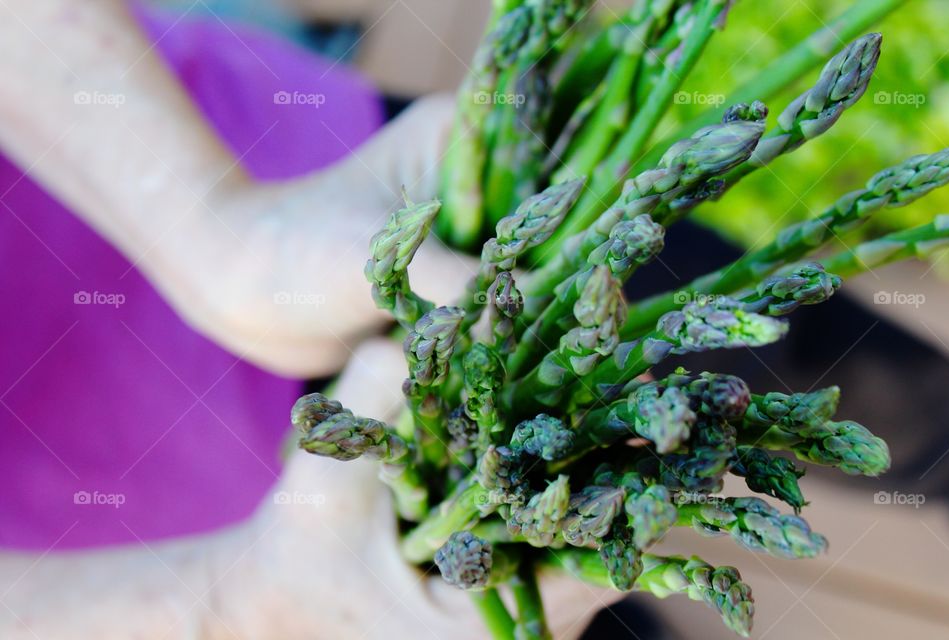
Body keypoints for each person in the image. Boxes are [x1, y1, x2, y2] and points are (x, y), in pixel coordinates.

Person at [0, 2, 615, 637]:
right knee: (581, 568)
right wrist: (231, 605)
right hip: (251, 546)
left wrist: (220, 234)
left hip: (328, 199)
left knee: (660, 321)